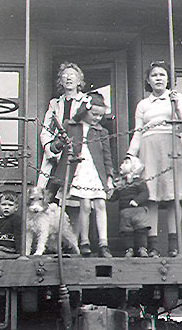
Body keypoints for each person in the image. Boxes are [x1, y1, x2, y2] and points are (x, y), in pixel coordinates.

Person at [126, 61, 182, 257]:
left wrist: (178, 106)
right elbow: (137, 133)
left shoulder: (176, 98)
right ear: (148, 80)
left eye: (162, 75)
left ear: (168, 79)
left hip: (171, 147)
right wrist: (131, 155)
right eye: (154, 75)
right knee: (151, 197)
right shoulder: (143, 104)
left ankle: (174, 245)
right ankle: (153, 245)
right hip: (149, 150)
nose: (158, 78)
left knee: (174, 197)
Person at [48, 92, 114, 258]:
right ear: (85, 110)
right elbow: (55, 148)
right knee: (84, 205)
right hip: (79, 170)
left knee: (100, 205)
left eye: (100, 115)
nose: (97, 118)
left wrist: (109, 177)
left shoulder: (102, 132)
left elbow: (107, 157)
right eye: (94, 114)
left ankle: (103, 243)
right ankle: (84, 242)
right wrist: (60, 141)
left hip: (96, 172)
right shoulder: (70, 126)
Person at [37, 62, 89, 190]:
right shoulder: (55, 103)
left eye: (72, 75)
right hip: (57, 149)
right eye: (65, 75)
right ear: (61, 81)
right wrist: (49, 149)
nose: (68, 78)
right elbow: (45, 130)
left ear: (79, 81)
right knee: (49, 190)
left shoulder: (86, 101)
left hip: (78, 149)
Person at [110, 155, 150, 257]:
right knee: (127, 233)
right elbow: (114, 197)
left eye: (126, 163)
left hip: (138, 211)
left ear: (134, 167)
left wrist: (137, 201)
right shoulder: (121, 183)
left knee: (141, 231)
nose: (122, 165)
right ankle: (129, 249)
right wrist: (111, 193)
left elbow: (145, 193)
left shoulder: (139, 182)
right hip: (125, 213)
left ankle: (142, 248)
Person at [0, 190, 22, 257]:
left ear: (16, 208)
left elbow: (19, 237)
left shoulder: (17, 220)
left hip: (11, 250)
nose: (7, 207)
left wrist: (20, 253)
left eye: (10, 205)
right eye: (4, 204)